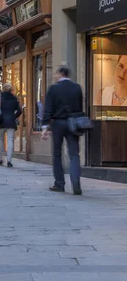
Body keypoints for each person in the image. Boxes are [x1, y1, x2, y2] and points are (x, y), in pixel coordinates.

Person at [41, 65, 83, 195]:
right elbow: (79, 107)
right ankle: (76, 183)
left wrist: (45, 126)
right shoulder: (77, 88)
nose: (54, 76)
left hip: (58, 123)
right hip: (72, 123)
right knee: (74, 154)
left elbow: (48, 108)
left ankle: (59, 184)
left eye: (55, 74)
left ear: (60, 74)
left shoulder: (53, 89)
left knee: (57, 154)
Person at [0, 83, 22, 168]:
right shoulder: (14, 98)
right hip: (11, 123)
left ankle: (0, 158)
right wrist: (13, 116)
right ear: (11, 89)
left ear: (3, 88)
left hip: (0, 122)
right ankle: (9, 161)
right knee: (10, 141)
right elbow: (19, 111)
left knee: (0, 141)